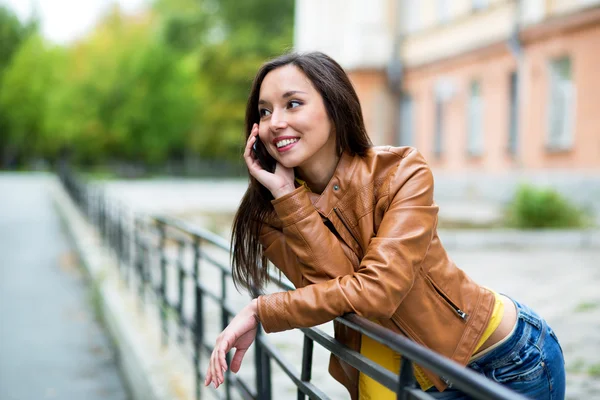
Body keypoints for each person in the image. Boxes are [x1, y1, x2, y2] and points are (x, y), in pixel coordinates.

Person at [204, 51, 566, 400]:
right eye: (264, 112)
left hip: (506, 362)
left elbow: (377, 292)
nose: (276, 122)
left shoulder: (400, 171)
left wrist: (261, 309)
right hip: (407, 378)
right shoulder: (272, 215)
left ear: (334, 105)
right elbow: (339, 295)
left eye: (292, 104)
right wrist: (288, 197)